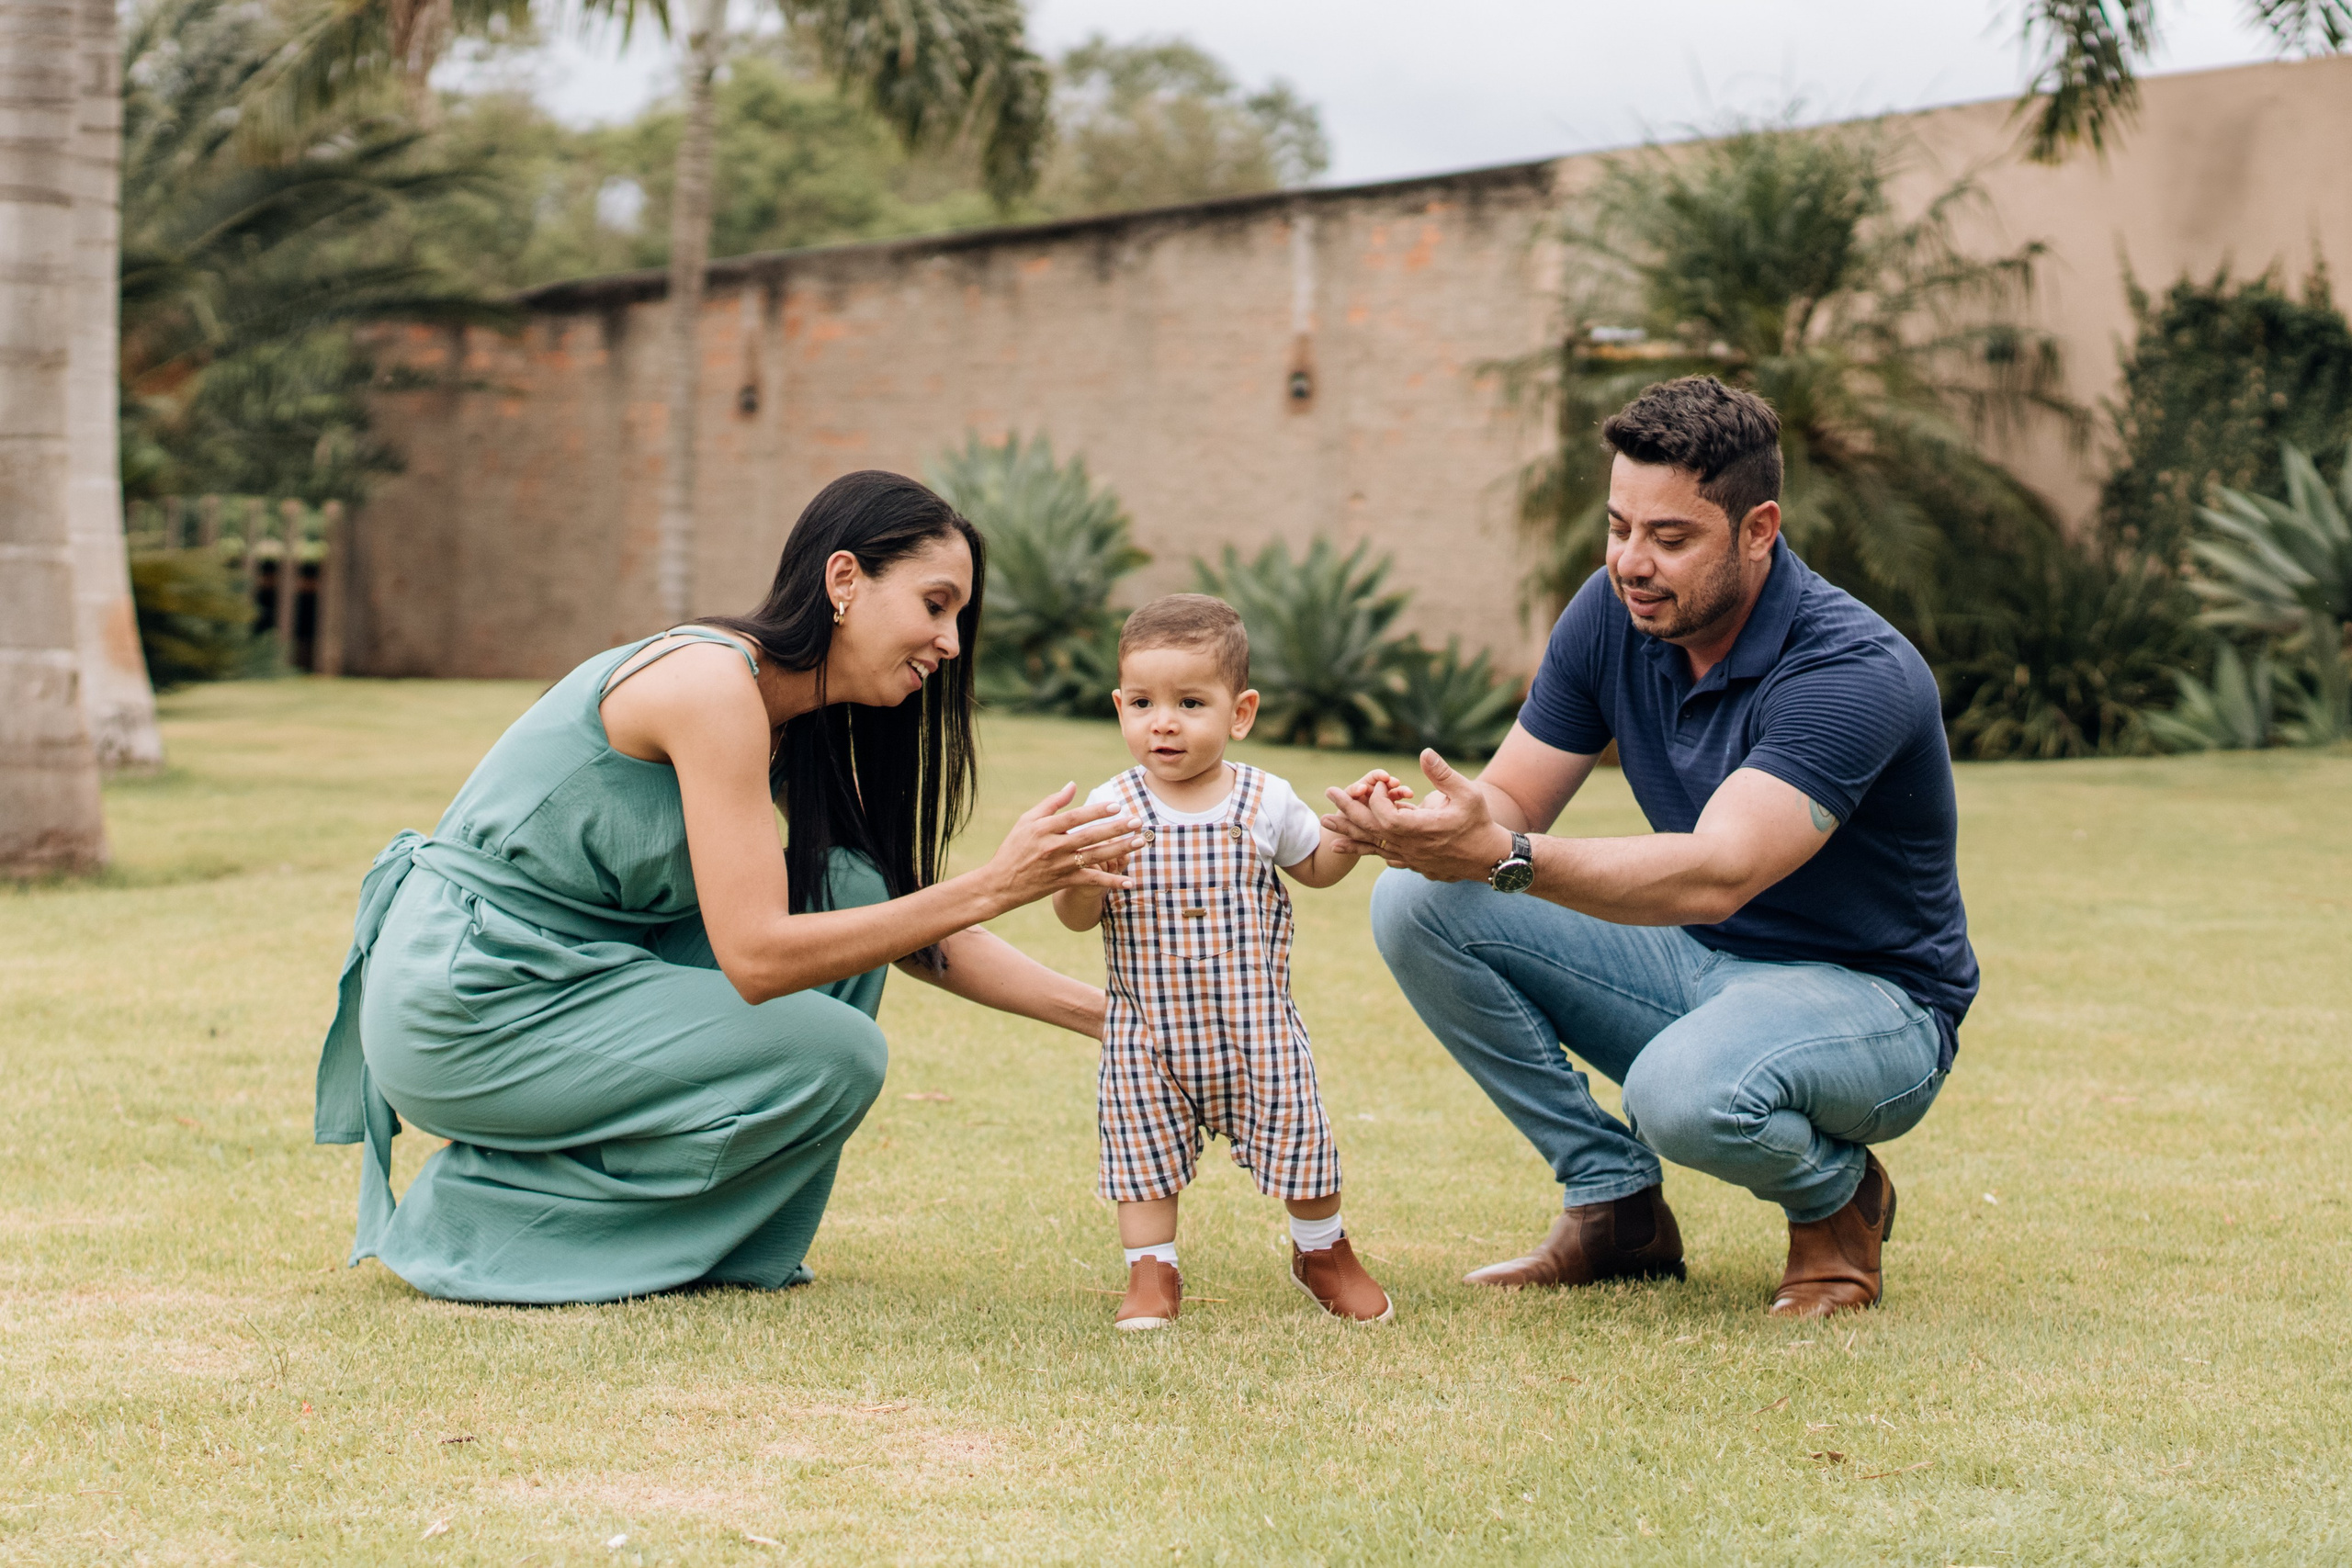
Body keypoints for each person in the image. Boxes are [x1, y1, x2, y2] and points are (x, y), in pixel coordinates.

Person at [313, 471, 1141, 1304]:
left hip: (576, 966)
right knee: (837, 1051)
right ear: (845, 581)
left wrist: (1117, 1020)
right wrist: (997, 884)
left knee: (848, 883)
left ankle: (608, 1195)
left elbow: (906, 926)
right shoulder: (714, 686)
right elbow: (755, 957)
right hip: (470, 998)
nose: (953, 641)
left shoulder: (792, 715)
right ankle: (484, 1214)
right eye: (935, 605)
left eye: (959, 616)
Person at [1325, 377, 1976, 1318]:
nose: (1632, 562)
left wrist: (1502, 853)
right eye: (1618, 526)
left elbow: (1720, 872)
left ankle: (1838, 1205)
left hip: (1872, 1002)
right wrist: (1445, 829)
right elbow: (1514, 799)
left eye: (1670, 539)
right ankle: (1614, 1207)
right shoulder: (1611, 613)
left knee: (1681, 1094)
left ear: (1759, 530)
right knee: (1417, 901)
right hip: (1701, 962)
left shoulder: (1849, 669)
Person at [1053, 595, 1395, 1330]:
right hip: (1150, 1039)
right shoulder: (1111, 807)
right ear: (1119, 706)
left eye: (1189, 702)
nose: (1163, 721)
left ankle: (1322, 1251)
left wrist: (1358, 831)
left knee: (1301, 1133)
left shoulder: (1264, 799)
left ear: (1239, 713)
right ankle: (1152, 1271)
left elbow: (1315, 866)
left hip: (1257, 1032)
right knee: (1140, 1154)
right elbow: (1076, 917)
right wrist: (1085, 879)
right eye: (1142, 702)